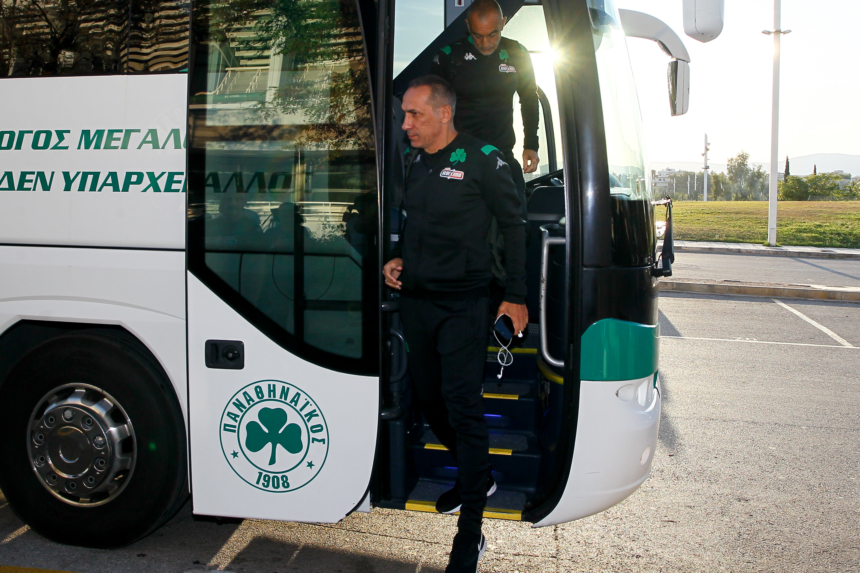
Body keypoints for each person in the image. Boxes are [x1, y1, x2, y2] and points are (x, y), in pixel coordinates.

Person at [383, 75, 527, 573]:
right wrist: (397, 259)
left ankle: (472, 531)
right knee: (427, 399)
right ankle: (478, 474)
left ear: (444, 113)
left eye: (414, 115)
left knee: (464, 407)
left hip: (466, 304)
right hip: (418, 302)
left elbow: (515, 226)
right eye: (404, 115)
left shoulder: (483, 159)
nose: (406, 125)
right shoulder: (416, 161)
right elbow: (418, 224)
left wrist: (516, 296)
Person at [430, 0, 540, 213]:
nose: (485, 43)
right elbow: (432, 110)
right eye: (478, 35)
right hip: (458, 157)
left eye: (493, 34)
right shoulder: (447, 56)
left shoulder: (517, 53)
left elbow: (528, 98)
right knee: (462, 235)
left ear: (503, 23)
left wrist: (531, 144)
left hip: (502, 155)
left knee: (517, 228)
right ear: (468, 26)